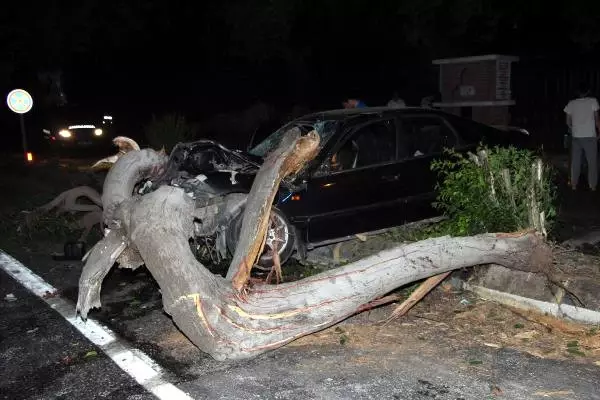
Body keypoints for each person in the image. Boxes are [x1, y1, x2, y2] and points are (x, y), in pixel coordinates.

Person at [564, 82, 600, 191]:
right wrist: (599, 132)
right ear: (588, 91)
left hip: (576, 136)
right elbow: (597, 120)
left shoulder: (571, 103)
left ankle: (574, 184)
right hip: (590, 136)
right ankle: (592, 185)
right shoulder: (593, 101)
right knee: (592, 162)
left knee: (575, 161)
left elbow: (567, 122)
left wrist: (573, 129)